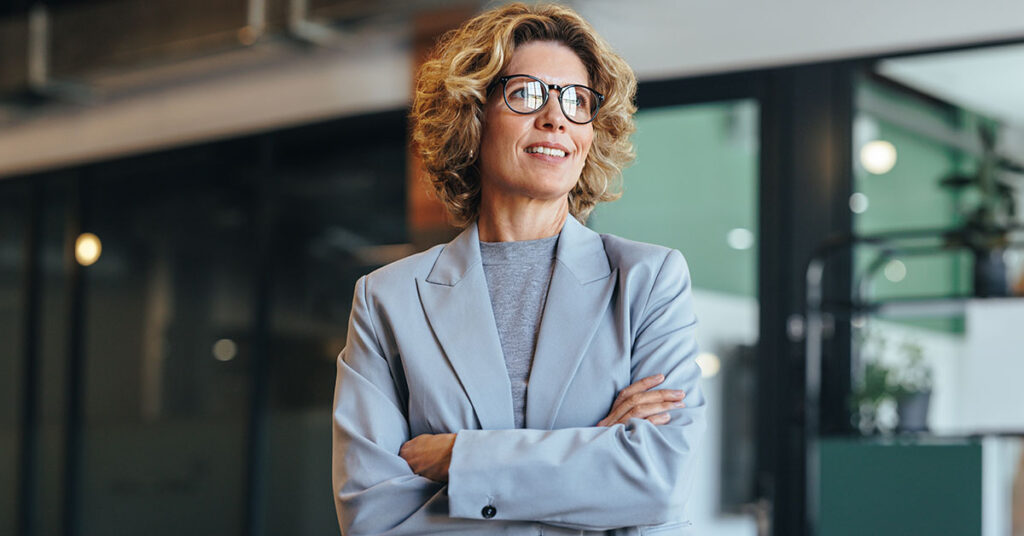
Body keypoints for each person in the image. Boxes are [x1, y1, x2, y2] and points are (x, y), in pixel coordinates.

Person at [332, 3, 706, 534]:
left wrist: (461, 459)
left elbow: (659, 481)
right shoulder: (387, 298)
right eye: (527, 93)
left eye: (577, 100)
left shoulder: (649, 281)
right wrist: (596, 453)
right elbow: (374, 516)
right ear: (473, 113)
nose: (556, 117)